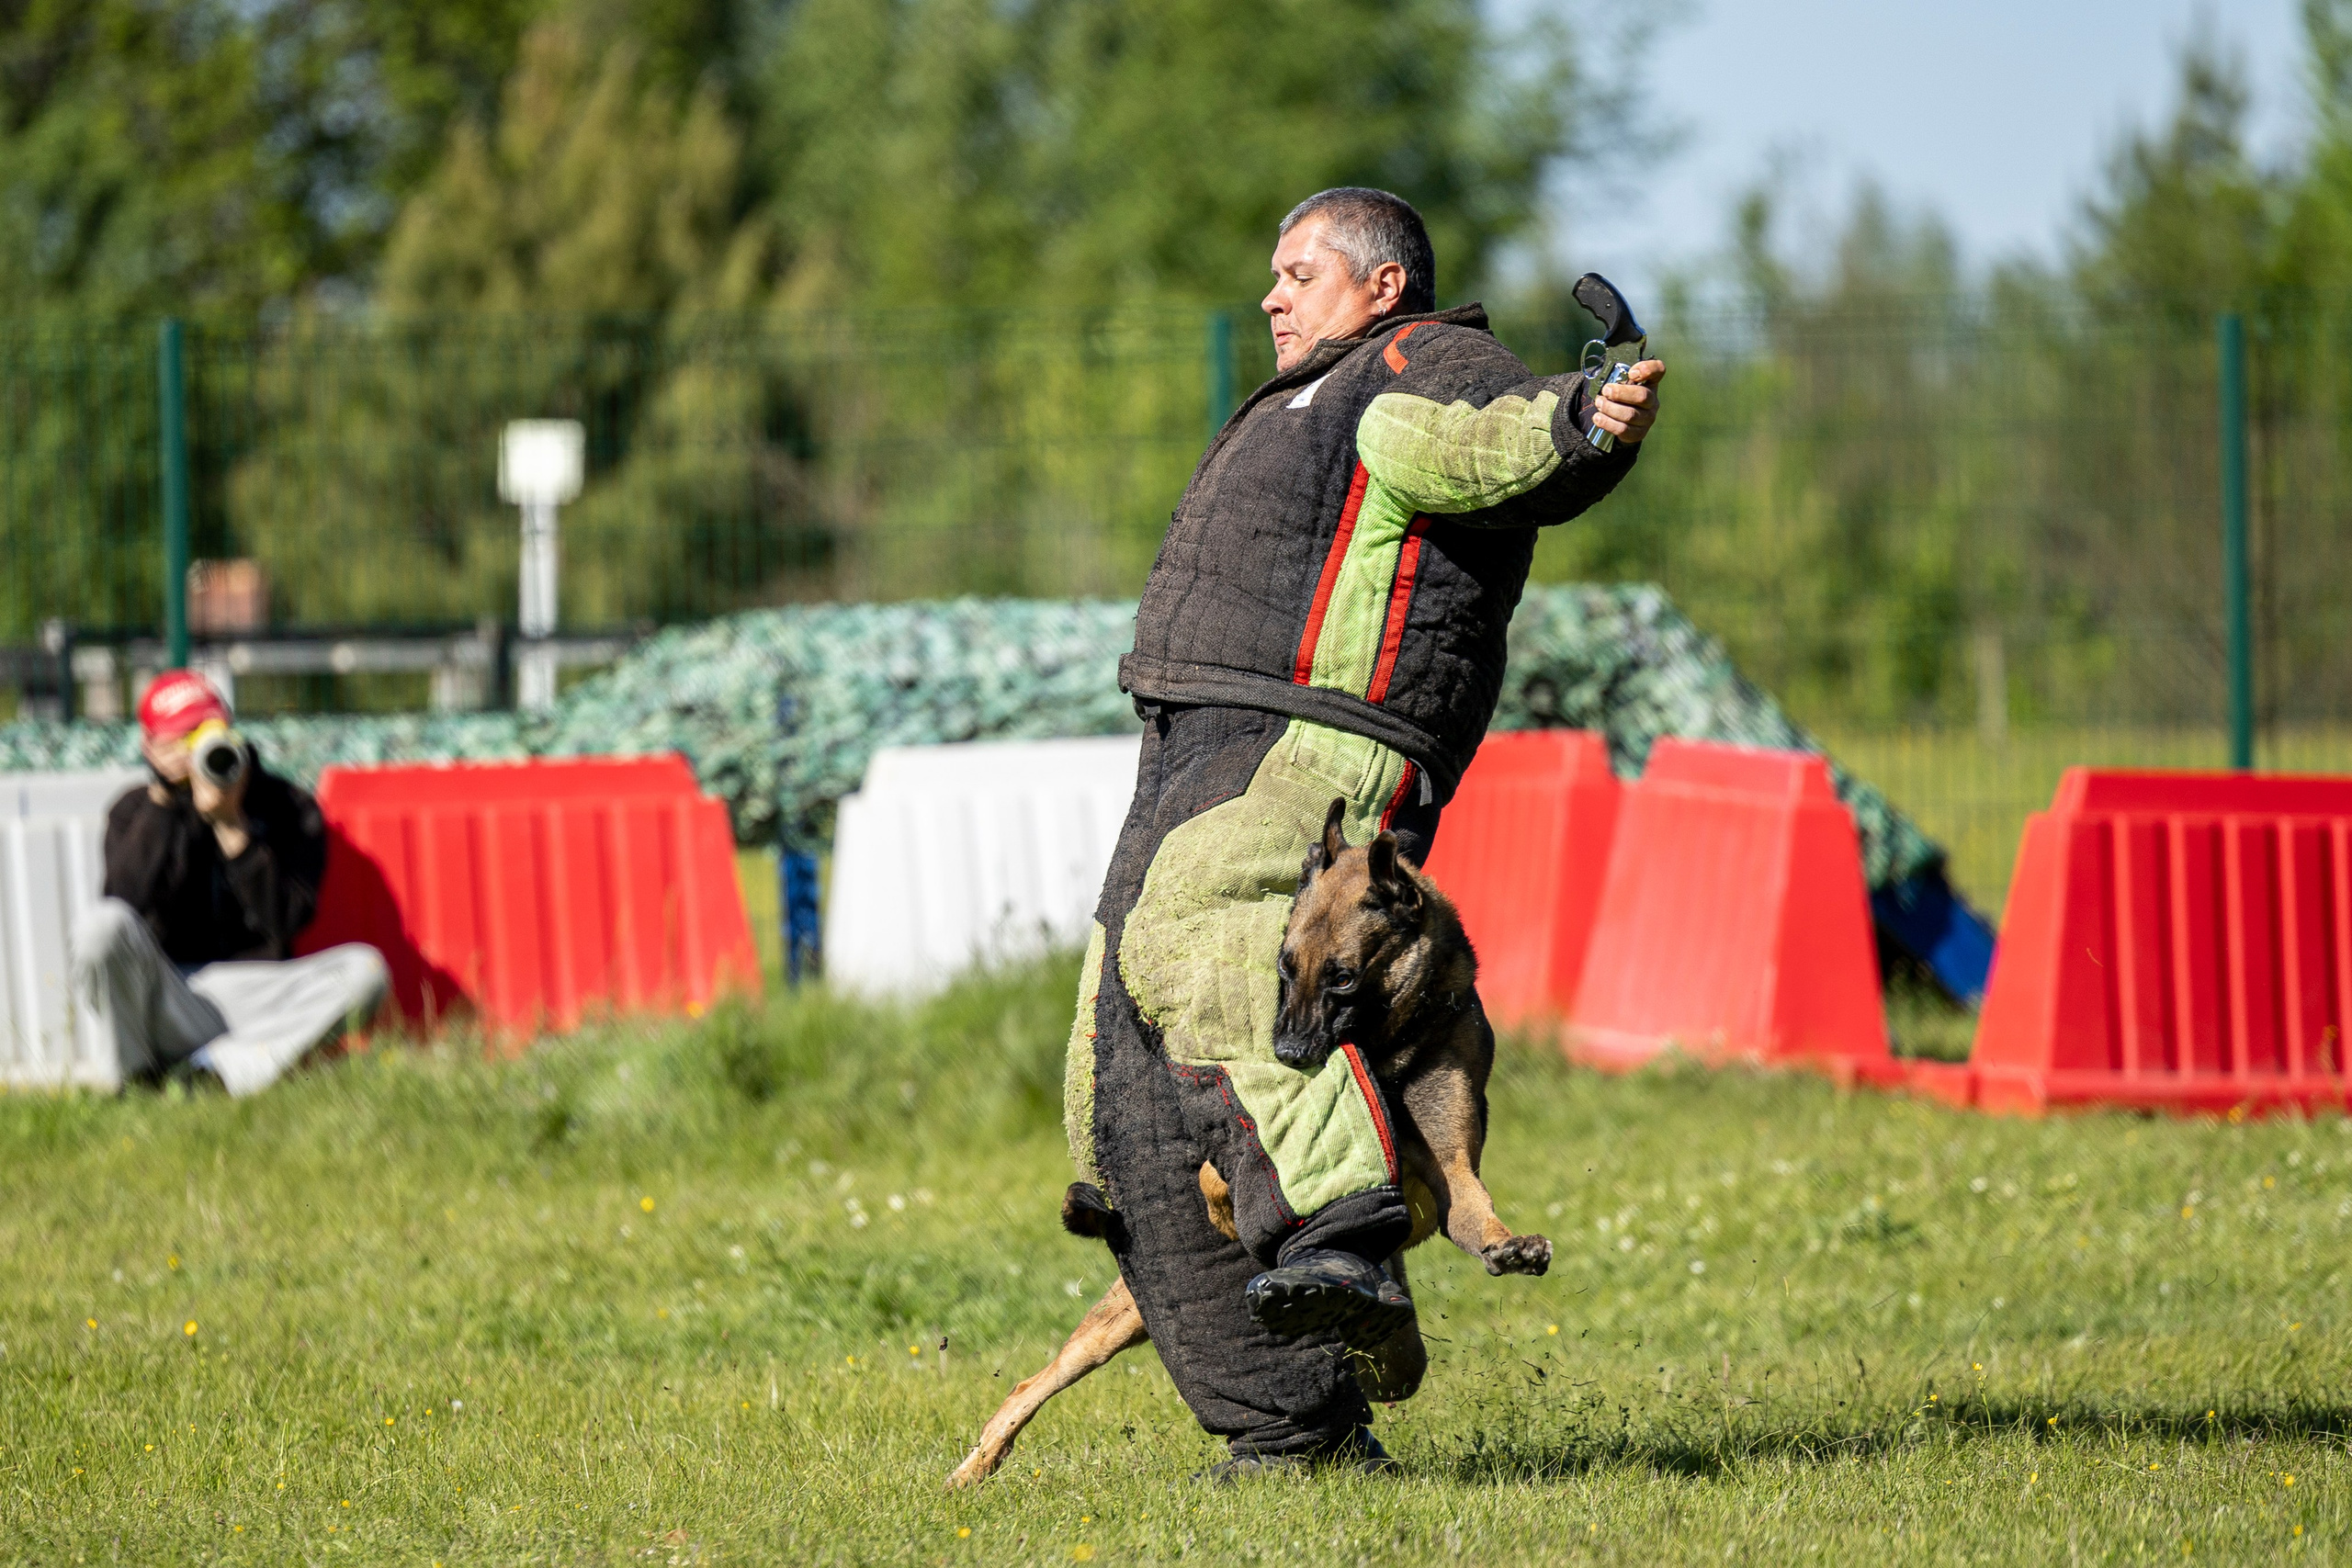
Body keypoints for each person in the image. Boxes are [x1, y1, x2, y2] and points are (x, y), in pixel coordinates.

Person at [1065, 188, 1664, 1475]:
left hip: (1308, 757)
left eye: (1298, 272)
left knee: (1220, 961)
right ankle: (1292, 1429)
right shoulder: (1307, 392)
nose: (1271, 296)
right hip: (1195, 751)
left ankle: (1341, 1217)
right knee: (1125, 1065)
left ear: (1380, 286)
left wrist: (1582, 414)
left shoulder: (1410, 368)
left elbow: (1489, 441)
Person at [72, 671, 387, 1096]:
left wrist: (232, 826)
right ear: (150, 748)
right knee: (99, 927)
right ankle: (131, 1080)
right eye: (180, 740)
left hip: (260, 992)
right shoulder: (134, 812)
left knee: (365, 972)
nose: (196, 750)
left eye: (206, 732)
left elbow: (288, 919)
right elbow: (122, 908)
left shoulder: (287, 806)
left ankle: (214, 1075)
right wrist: (165, 802)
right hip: (172, 993)